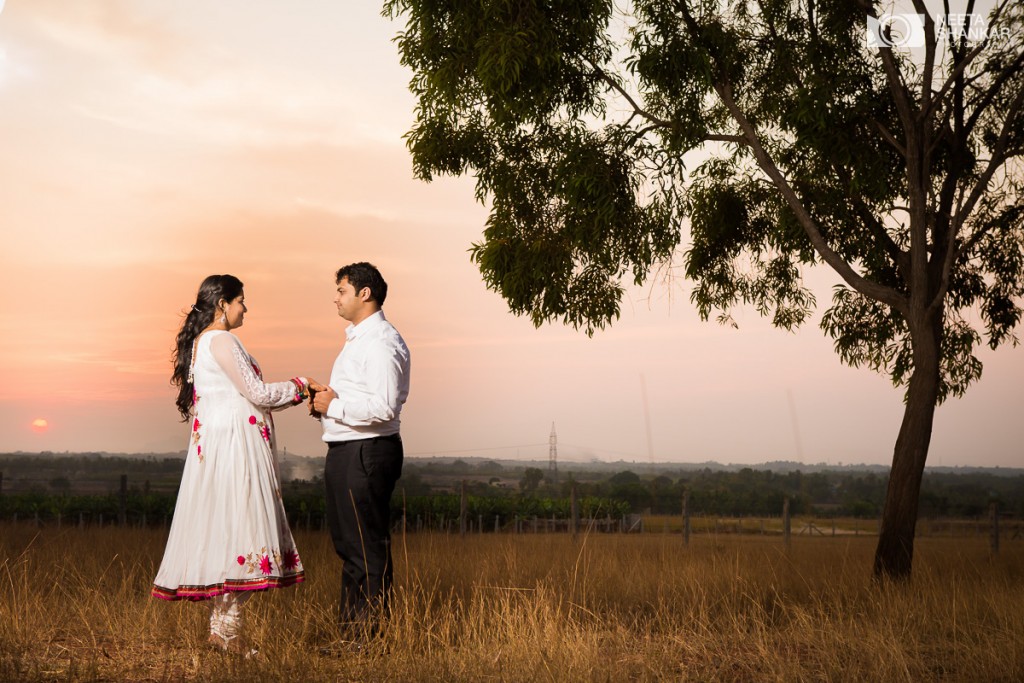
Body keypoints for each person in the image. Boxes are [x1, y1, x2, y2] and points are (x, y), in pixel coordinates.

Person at [152, 274, 310, 654]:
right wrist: (300, 385)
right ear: (223, 303)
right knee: (243, 530)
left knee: (228, 531)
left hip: (218, 449)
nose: (246, 309)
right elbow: (256, 393)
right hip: (235, 450)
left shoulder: (201, 345)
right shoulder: (222, 340)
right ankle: (230, 635)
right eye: (241, 301)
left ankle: (222, 633)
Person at [309, 262, 410, 640]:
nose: (336, 297)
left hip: (366, 453)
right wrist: (327, 401)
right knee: (350, 547)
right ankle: (351, 636)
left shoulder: (381, 341)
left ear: (364, 294)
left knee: (365, 547)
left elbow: (384, 407)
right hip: (349, 450)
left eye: (341, 290)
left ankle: (365, 642)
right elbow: (361, 399)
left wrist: (332, 407)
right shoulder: (360, 340)